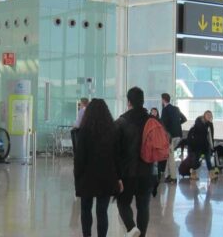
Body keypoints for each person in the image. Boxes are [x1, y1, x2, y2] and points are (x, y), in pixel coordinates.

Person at [74, 99, 119, 237]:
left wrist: (77, 177)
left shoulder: (83, 132)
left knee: (86, 209)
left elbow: (79, 158)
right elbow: (117, 157)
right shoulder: (113, 131)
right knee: (102, 212)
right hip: (106, 177)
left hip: (87, 177)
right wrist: (118, 177)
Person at [115, 87, 153, 237]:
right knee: (143, 206)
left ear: (129, 101)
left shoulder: (121, 122)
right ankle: (141, 235)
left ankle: (131, 228)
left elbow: (115, 152)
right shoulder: (152, 120)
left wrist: (117, 176)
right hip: (147, 171)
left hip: (127, 173)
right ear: (143, 101)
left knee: (123, 203)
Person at [159, 93, 187, 183]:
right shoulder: (176, 108)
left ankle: (174, 177)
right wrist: (177, 124)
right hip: (178, 135)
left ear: (163, 100)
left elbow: (163, 124)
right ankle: (167, 175)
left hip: (170, 137)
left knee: (170, 157)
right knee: (169, 155)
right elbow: (184, 119)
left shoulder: (165, 110)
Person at [188, 110, 216, 180]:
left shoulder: (210, 124)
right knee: (196, 159)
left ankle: (211, 175)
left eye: (210, 115)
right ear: (204, 115)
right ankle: (193, 174)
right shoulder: (199, 120)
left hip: (206, 145)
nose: (209, 116)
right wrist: (208, 124)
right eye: (207, 115)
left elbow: (211, 136)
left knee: (208, 160)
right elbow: (201, 130)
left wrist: (212, 147)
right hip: (198, 145)